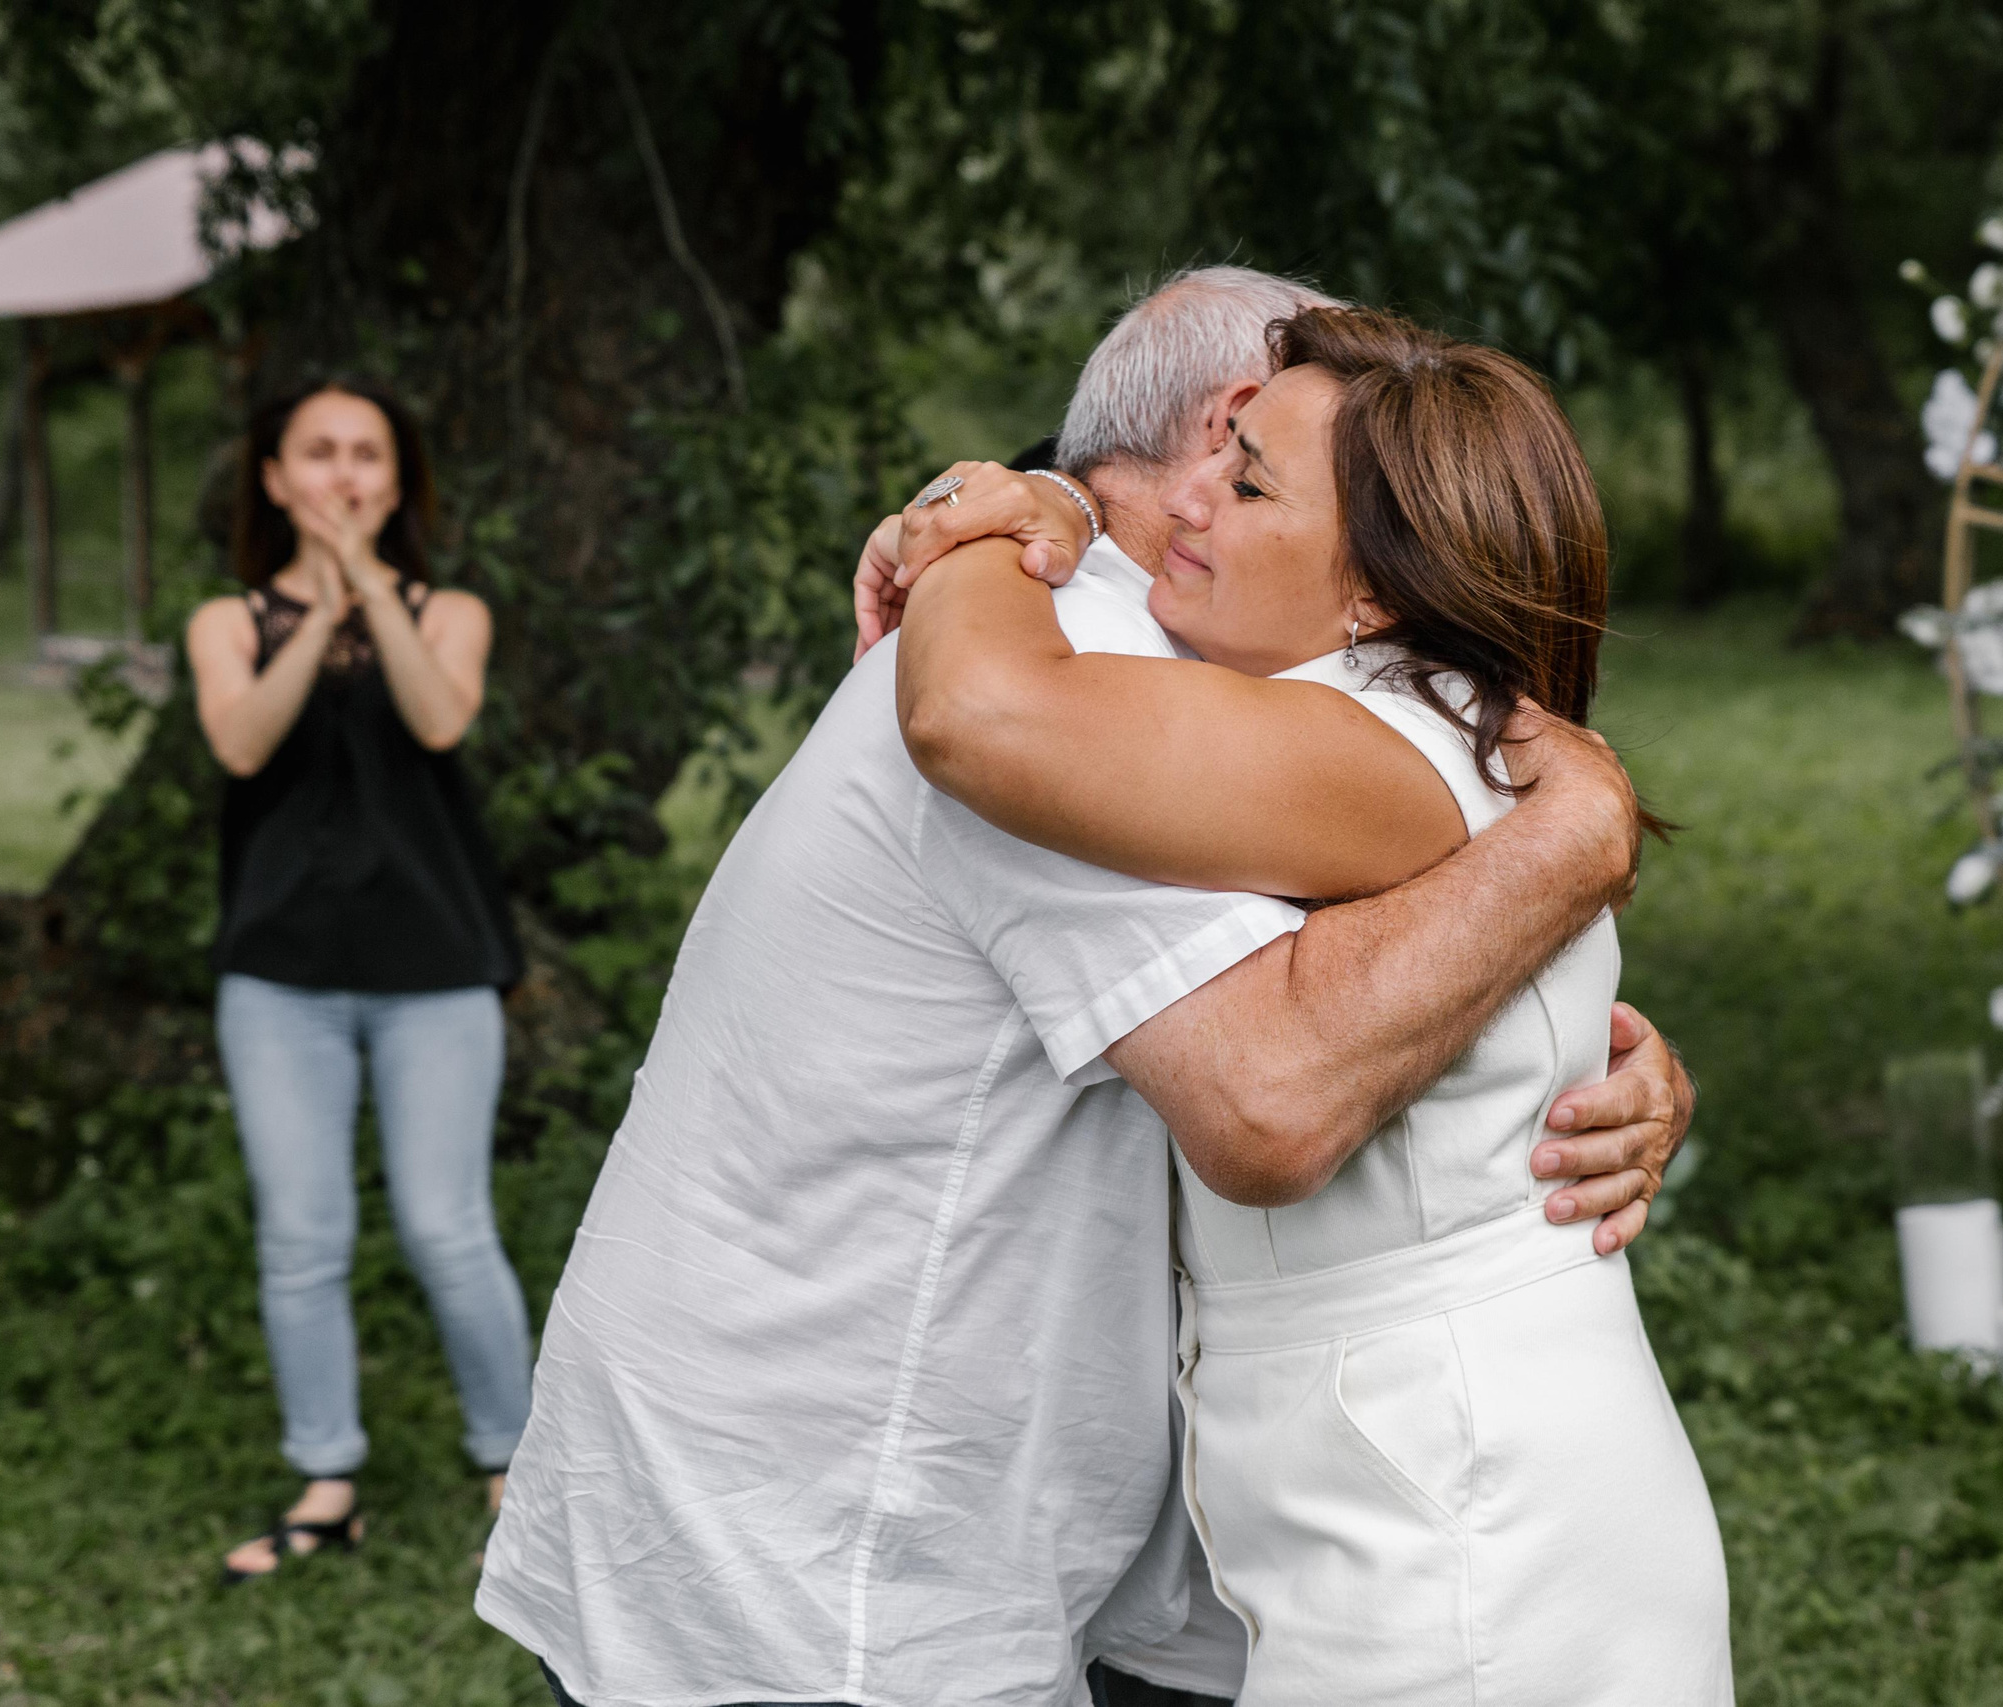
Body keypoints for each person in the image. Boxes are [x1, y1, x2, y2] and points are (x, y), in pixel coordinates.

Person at [475, 268, 1696, 1707]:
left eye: (1263, 479)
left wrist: (1579, 1046)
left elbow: (1358, 1001)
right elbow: (1272, 1088)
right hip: (826, 1553)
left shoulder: (1177, 690)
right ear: (1215, 420)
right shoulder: (1089, 672)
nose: (1221, 497)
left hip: (1305, 1507)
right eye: (1237, 461)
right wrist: (1573, 842)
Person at [883, 305, 1733, 1702]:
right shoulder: (1436, 725)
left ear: (1375, 596)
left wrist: (983, 512)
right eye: (1217, 448)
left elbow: (976, 714)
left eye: (1251, 479)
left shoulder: (1379, 730)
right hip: (1437, 1484)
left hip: (1461, 1533)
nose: (1186, 498)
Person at [186, 379, 534, 1584]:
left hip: (432, 969)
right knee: (301, 1236)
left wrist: (368, 589)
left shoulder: (449, 609)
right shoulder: (225, 621)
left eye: (366, 455)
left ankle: (519, 1465)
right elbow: (241, 742)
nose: (342, 475)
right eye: (316, 454)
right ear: (274, 480)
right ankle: (326, 1479)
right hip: (278, 979)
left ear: (397, 482)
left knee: (447, 1226)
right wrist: (315, 601)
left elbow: (438, 720)